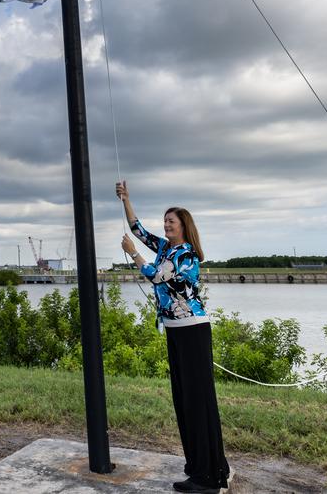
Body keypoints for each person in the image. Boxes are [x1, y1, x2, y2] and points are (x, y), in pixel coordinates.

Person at [118, 181, 229, 493]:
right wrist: (126, 199)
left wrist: (134, 255)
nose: (166, 224)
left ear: (184, 227)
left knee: (197, 400)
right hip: (177, 331)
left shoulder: (185, 253)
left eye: (172, 221)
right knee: (184, 400)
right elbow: (137, 229)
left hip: (193, 330)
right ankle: (201, 467)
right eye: (165, 220)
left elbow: (155, 275)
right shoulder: (167, 247)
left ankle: (208, 477)